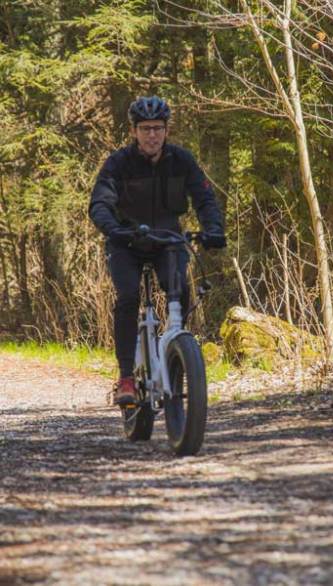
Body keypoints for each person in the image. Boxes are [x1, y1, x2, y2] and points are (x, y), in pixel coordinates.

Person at [89, 96, 226, 405]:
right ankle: (126, 377)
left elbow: (204, 199)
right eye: (146, 128)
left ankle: (177, 351)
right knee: (127, 296)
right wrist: (113, 228)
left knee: (179, 288)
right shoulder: (118, 163)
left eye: (158, 128)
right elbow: (100, 203)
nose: (152, 135)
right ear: (134, 131)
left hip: (168, 240)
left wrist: (213, 230)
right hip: (126, 241)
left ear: (167, 130)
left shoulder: (182, 160)